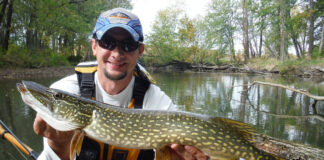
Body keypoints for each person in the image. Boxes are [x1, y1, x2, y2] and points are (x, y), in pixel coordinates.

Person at [33, 8, 209, 160]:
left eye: (127, 44)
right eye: (107, 42)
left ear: (139, 51)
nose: (116, 53)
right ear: (94, 46)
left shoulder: (157, 102)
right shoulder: (66, 91)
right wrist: (58, 146)